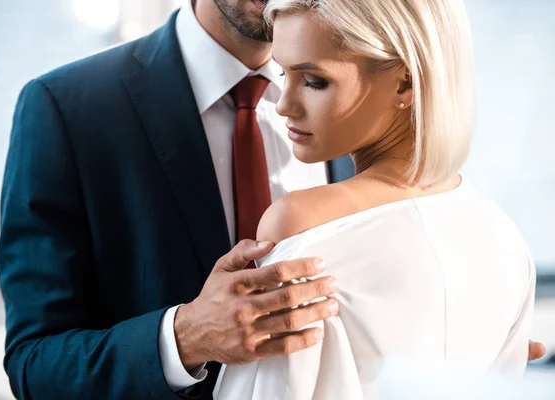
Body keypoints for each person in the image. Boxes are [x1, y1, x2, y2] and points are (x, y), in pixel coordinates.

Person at [0, 0, 545, 399]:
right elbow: (33, 363)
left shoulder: (360, 86)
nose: (288, 106)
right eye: (293, 78)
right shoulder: (68, 108)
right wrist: (184, 337)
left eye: (313, 81)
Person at [213, 0, 543, 399]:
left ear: (405, 83)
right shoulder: (504, 236)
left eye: (314, 81)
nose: (283, 104)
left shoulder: (300, 224)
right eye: (284, 73)